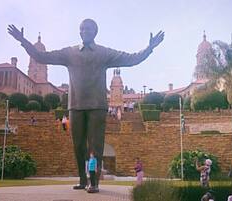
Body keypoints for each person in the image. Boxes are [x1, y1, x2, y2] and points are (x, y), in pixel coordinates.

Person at [8, 18, 164, 191]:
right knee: (78, 146)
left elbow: (131, 59)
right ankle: (83, 180)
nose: (85, 31)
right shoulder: (70, 53)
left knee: (95, 147)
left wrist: (149, 48)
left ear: (95, 32)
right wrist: (23, 42)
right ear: (79, 32)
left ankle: (94, 182)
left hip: (97, 106)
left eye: (89, 29)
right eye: (82, 29)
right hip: (76, 105)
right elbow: (41, 56)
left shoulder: (104, 53)